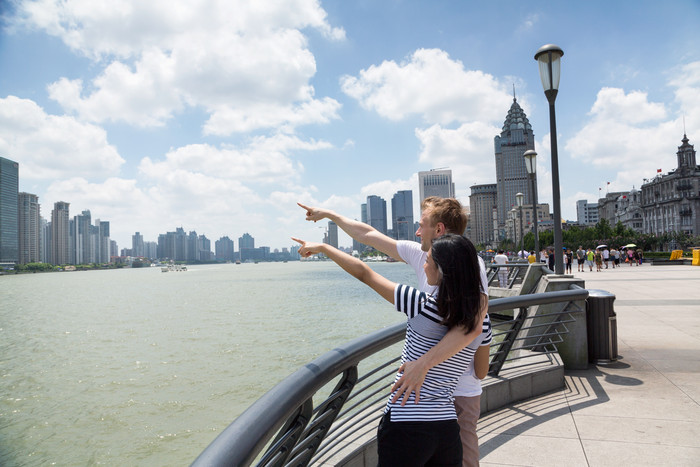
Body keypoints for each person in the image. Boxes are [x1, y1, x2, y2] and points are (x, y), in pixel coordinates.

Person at [299, 198, 491, 466]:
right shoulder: (469, 293)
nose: (423, 264)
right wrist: (331, 215)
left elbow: (365, 273)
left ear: (439, 233)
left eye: (429, 261)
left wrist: (324, 247)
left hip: (416, 415)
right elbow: (477, 330)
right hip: (445, 420)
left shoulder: (421, 304)